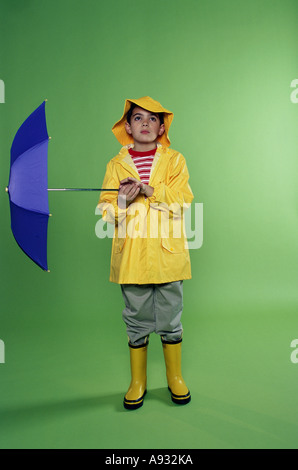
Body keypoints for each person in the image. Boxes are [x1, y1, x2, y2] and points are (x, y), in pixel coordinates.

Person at [97, 96, 194, 410]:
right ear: (127, 126)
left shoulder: (175, 160)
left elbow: (183, 201)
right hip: (133, 257)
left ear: (162, 126)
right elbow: (105, 212)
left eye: (153, 119)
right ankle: (137, 382)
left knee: (170, 318)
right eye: (138, 118)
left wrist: (151, 190)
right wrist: (122, 203)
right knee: (136, 317)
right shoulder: (116, 165)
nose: (146, 124)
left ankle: (174, 378)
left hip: (167, 254)